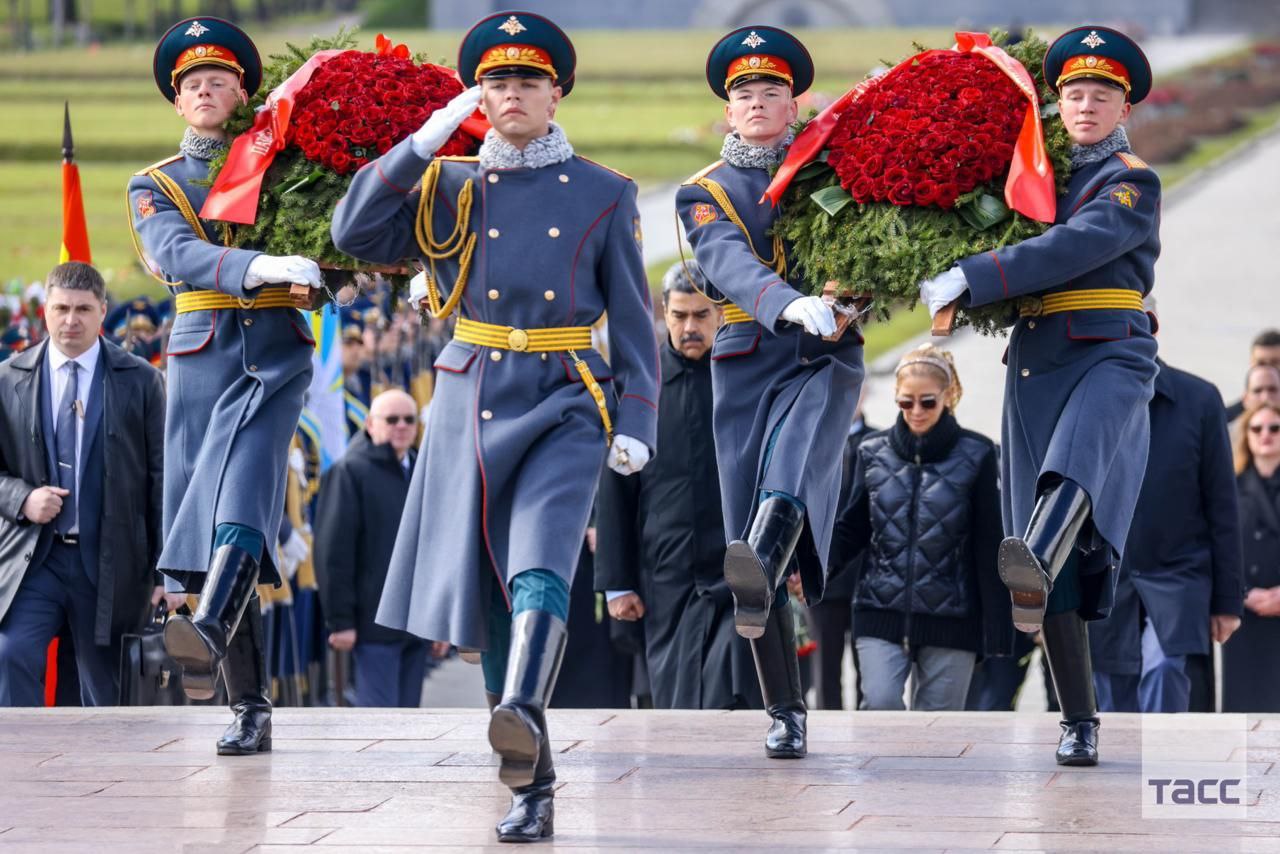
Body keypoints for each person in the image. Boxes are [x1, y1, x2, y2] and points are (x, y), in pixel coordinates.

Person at [331, 11, 659, 843]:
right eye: (495, 83)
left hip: (564, 395)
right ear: (479, 97)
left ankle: (519, 706)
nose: (511, 94)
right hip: (472, 391)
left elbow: (633, 314)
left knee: (543, 559)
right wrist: (423, 143)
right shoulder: (448, 182)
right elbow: (353, 230)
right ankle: (529, 776)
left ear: (557, 94)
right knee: (487, 591)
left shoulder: (604, 189)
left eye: (527, 82)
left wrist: (638, 416)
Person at [918, 25, 1159, 766]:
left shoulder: (1129, 181)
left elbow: (1079, 244)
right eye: (1075, 94)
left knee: (1075, 467)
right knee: (1045, 570)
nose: (1087, 105)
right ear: (1058, 105)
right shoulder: (1032, 178)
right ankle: (1077, 720)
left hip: (1109, 351)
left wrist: (976, 273)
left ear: (1124, 109)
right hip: (1034, 363)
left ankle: (1034, 555)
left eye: (1102, 95)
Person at [126, 17, 324, 754]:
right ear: (178, 105)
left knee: (244, 494)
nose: (206, 90)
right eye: (192, 85)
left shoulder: (284, 167)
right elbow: (174, 253)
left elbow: (326, 246)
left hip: (275, 353)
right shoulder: (156, 184)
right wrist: (256, 266)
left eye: (220, 80)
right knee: (217, 537)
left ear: (245, 91)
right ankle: (251, 705)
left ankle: (208, 629)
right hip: (204, 359)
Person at [675, 25, 864, 760]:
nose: (757, 103)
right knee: (753, 565)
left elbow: (870, 249)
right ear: (729, 112)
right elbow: (722, 256)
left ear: (797, 103)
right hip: (748, 359)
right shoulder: (706, 189)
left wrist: (848, 301)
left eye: (772, 92)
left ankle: (773, 532)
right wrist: (783, 301)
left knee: (783, 488)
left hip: (822, 357)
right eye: (744, 94)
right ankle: (783, 707)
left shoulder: (832, 175)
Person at [0, 262, 168, 705]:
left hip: (111, 562)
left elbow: (161, 479)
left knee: (106, 690)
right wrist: (22, 498)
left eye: (82, 309)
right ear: (46, 313)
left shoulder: (141, 381)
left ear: (102, 311)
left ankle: (104, 775)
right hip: (35, 558)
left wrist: (167, 570)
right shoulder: (8, 378)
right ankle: (21, 769)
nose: (70, 320)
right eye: (60, 308)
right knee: (11, 654)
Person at [595, 261, 761, 710]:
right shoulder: (635, 390)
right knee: (673, 699)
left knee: (734, 692)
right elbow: (615, 489)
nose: (690, 327)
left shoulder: (746, 382)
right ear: (663, 314)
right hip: (665, 573)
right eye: (679, 316)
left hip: (737, 570)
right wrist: (617, 583)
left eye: (700, 316)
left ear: (721, 314)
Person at [831, 345, 1011, 710]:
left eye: (927, 402)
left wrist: (999, 631)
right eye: (905, 402)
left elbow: (989, 544)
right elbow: (852, 529)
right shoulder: (870, 451)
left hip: (953, 620)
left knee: (938, 733)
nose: (915, 412)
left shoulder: (978, 454)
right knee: (879, 705)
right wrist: (811, 568)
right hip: (878, 611)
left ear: (948, 396)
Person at [1089, 360, 1242, 712]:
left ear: (1151, 325)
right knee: (1113, 693)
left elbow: (1222, 506)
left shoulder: (1200, 398)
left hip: (1179, 575)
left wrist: (1227, 601)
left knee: (1166, 668)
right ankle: (1124, 767)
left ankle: (1162, 760)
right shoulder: (1086, 398)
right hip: (1105, 578)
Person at [313, 389, 429, 708]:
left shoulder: (423, 470)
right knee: (381, 724)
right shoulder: (350, 471)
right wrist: (341, 621)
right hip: (372, 625)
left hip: (417, 623)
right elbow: (333, 553)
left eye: (409, 419)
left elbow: (435, 550)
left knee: (411, 725)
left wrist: (441, 620)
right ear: (370, 424)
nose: (402, 426)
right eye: (391, 419)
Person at [808, 390, 875, 710]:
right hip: (825, 580)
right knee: (825, 674)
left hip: (867, 577)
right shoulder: (812, 443)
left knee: (872, 676)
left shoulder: (879, 443)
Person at [1222, 402, 1280, 712]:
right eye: (1257, 428)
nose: (1266, 435)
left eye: (1275, 428)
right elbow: (1219, 547)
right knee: (1245, 709)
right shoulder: (1229, 488)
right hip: (1244, 614)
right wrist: (1241, 594)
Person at [1225, 330, 1280, 422]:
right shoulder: (1226, 420)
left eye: (1274, 363)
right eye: (1260, 363)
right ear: (1251, 363)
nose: (1268, 369)